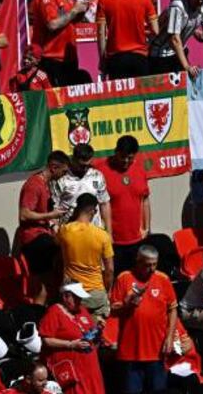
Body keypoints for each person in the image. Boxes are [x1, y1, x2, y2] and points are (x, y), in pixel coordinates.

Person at [109, 245, 184, 394]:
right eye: (147, 265)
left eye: (154, 264)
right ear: (138, 261)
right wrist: (128, 305)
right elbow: (113, 309)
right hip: (130, 352)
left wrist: (169, 337)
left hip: (156, 351)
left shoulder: (163, 279)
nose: (152, 269)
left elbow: (172, 309)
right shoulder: (124, 278)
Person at [17, 150, 70, 305]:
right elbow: (24, 214)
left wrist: (53, 224)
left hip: (43, 235)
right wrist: (51, 215)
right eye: (63, 171)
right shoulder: (34, 185)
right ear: (53, 167)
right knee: (43, 287)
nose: (64, 175)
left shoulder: (46, 184)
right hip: (34, 239)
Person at [39, 282, 105, 394]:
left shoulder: (82, 310)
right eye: (76, 298)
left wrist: (98, 331)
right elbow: (46, 340)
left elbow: (89, 332)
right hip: (73, 370)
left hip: (90, 368)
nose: (79, 301)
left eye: (80, 298)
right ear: (65, 297)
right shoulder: (54, 312)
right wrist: (71, 344)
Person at [96, 0, 158, 80]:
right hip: (139, 57)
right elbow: (155, 30)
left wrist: (103, 59)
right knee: (141, 92)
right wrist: (144, 37)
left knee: (120, 93)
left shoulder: (104, 0)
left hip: (116, 59)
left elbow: (101, 33)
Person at [57, 193, 114, 318]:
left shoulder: (65, 231)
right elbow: (109, 269)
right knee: (98, 328)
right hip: (96, 293)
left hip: (73, 293)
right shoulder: (102, 236)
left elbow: (57, 246)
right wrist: (108, 290)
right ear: (93, 211)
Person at [99, 136, 149, 274]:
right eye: (123, 157)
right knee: (115, 278)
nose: (126, 161)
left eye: (130, 158)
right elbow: (99, 205)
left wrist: (146, 228)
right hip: (113, 240)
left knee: (134, 279)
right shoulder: (101, 171)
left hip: (137, 239)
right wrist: (107, 234)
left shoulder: (139, 169)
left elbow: (144, 199)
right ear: (116, 152)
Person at [33, 0, 88, 86]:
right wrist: (74, 11)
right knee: (57, 96)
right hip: (52, 57)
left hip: (69, 57)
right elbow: (52, 24)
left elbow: (70, 21)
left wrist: (81, 12)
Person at [51, 144, 111, 228]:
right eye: (82, 166)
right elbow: (53, 209)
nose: (85, 169)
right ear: (73, 159)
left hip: (94, 230)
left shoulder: (97, 176)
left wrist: (109, 231)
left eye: (88, 165)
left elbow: (104, 203)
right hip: (69, 230)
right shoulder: (61, 179)